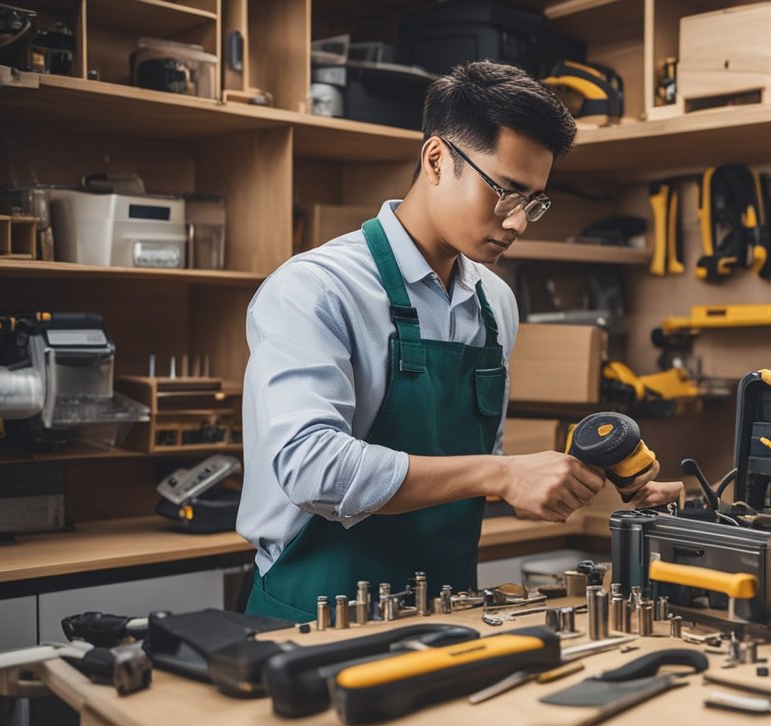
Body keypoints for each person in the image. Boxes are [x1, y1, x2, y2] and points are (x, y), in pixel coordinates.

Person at [238, 61, 680, 621]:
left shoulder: (495, 304)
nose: (518, 222)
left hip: (446, 613)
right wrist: (502, 475)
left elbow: (469, 473)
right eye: (505, 192)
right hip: (311, 614)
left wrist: (559, 482)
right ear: (436, 160)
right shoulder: (314, 290)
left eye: (534, 202)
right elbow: (311, 469)